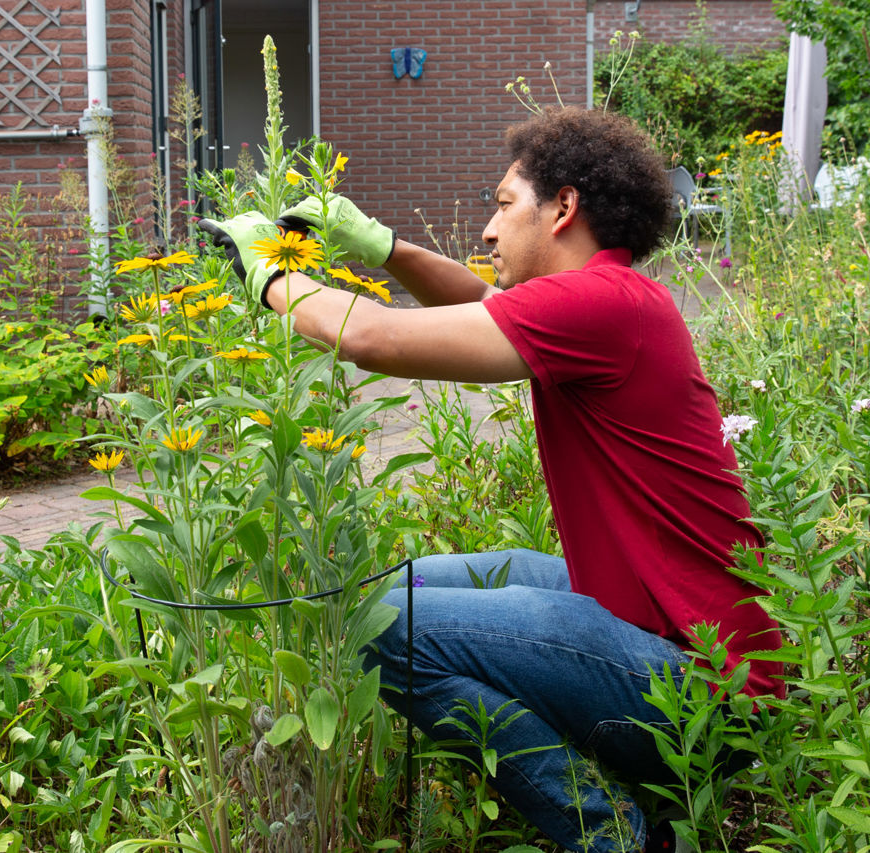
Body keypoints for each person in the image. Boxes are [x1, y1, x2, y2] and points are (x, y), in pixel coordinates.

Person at [198, 107, 784, 852]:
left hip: (705, 689)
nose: (486, 230)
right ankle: (635, 804)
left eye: (504, 205)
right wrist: (384, 246)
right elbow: (481, 305)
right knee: (391, 590)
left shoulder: (602, 303)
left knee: (373, 624)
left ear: (564, 208)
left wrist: (269, 276)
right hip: (654, 634)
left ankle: (612, 833)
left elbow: (373, 338)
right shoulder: (608, 301)